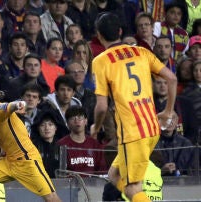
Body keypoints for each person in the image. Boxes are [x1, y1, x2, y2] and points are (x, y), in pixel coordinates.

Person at [90, 12, 177, 201]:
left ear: (99, 35)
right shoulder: (142, 52)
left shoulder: (101, 61)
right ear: (120, 31)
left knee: (132, 188)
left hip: (132, 132)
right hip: (151, 127)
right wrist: (168, 111)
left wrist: (96, 127)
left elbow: (102, 107)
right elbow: (172, 78)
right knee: (113, 175)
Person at [0, 87, 62, 202]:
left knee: (51, 198)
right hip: (8, 162)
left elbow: (11, 105)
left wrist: (20, 104)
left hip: (27, 160)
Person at [57, 106, 106, 175]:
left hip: (93, 184)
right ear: (67, 123)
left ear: (86, 121)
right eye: (73, 118)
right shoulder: (61, 145)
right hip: (69, 185)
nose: (77, 121)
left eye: (80, 117)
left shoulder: (95, 144)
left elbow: (101, 170)